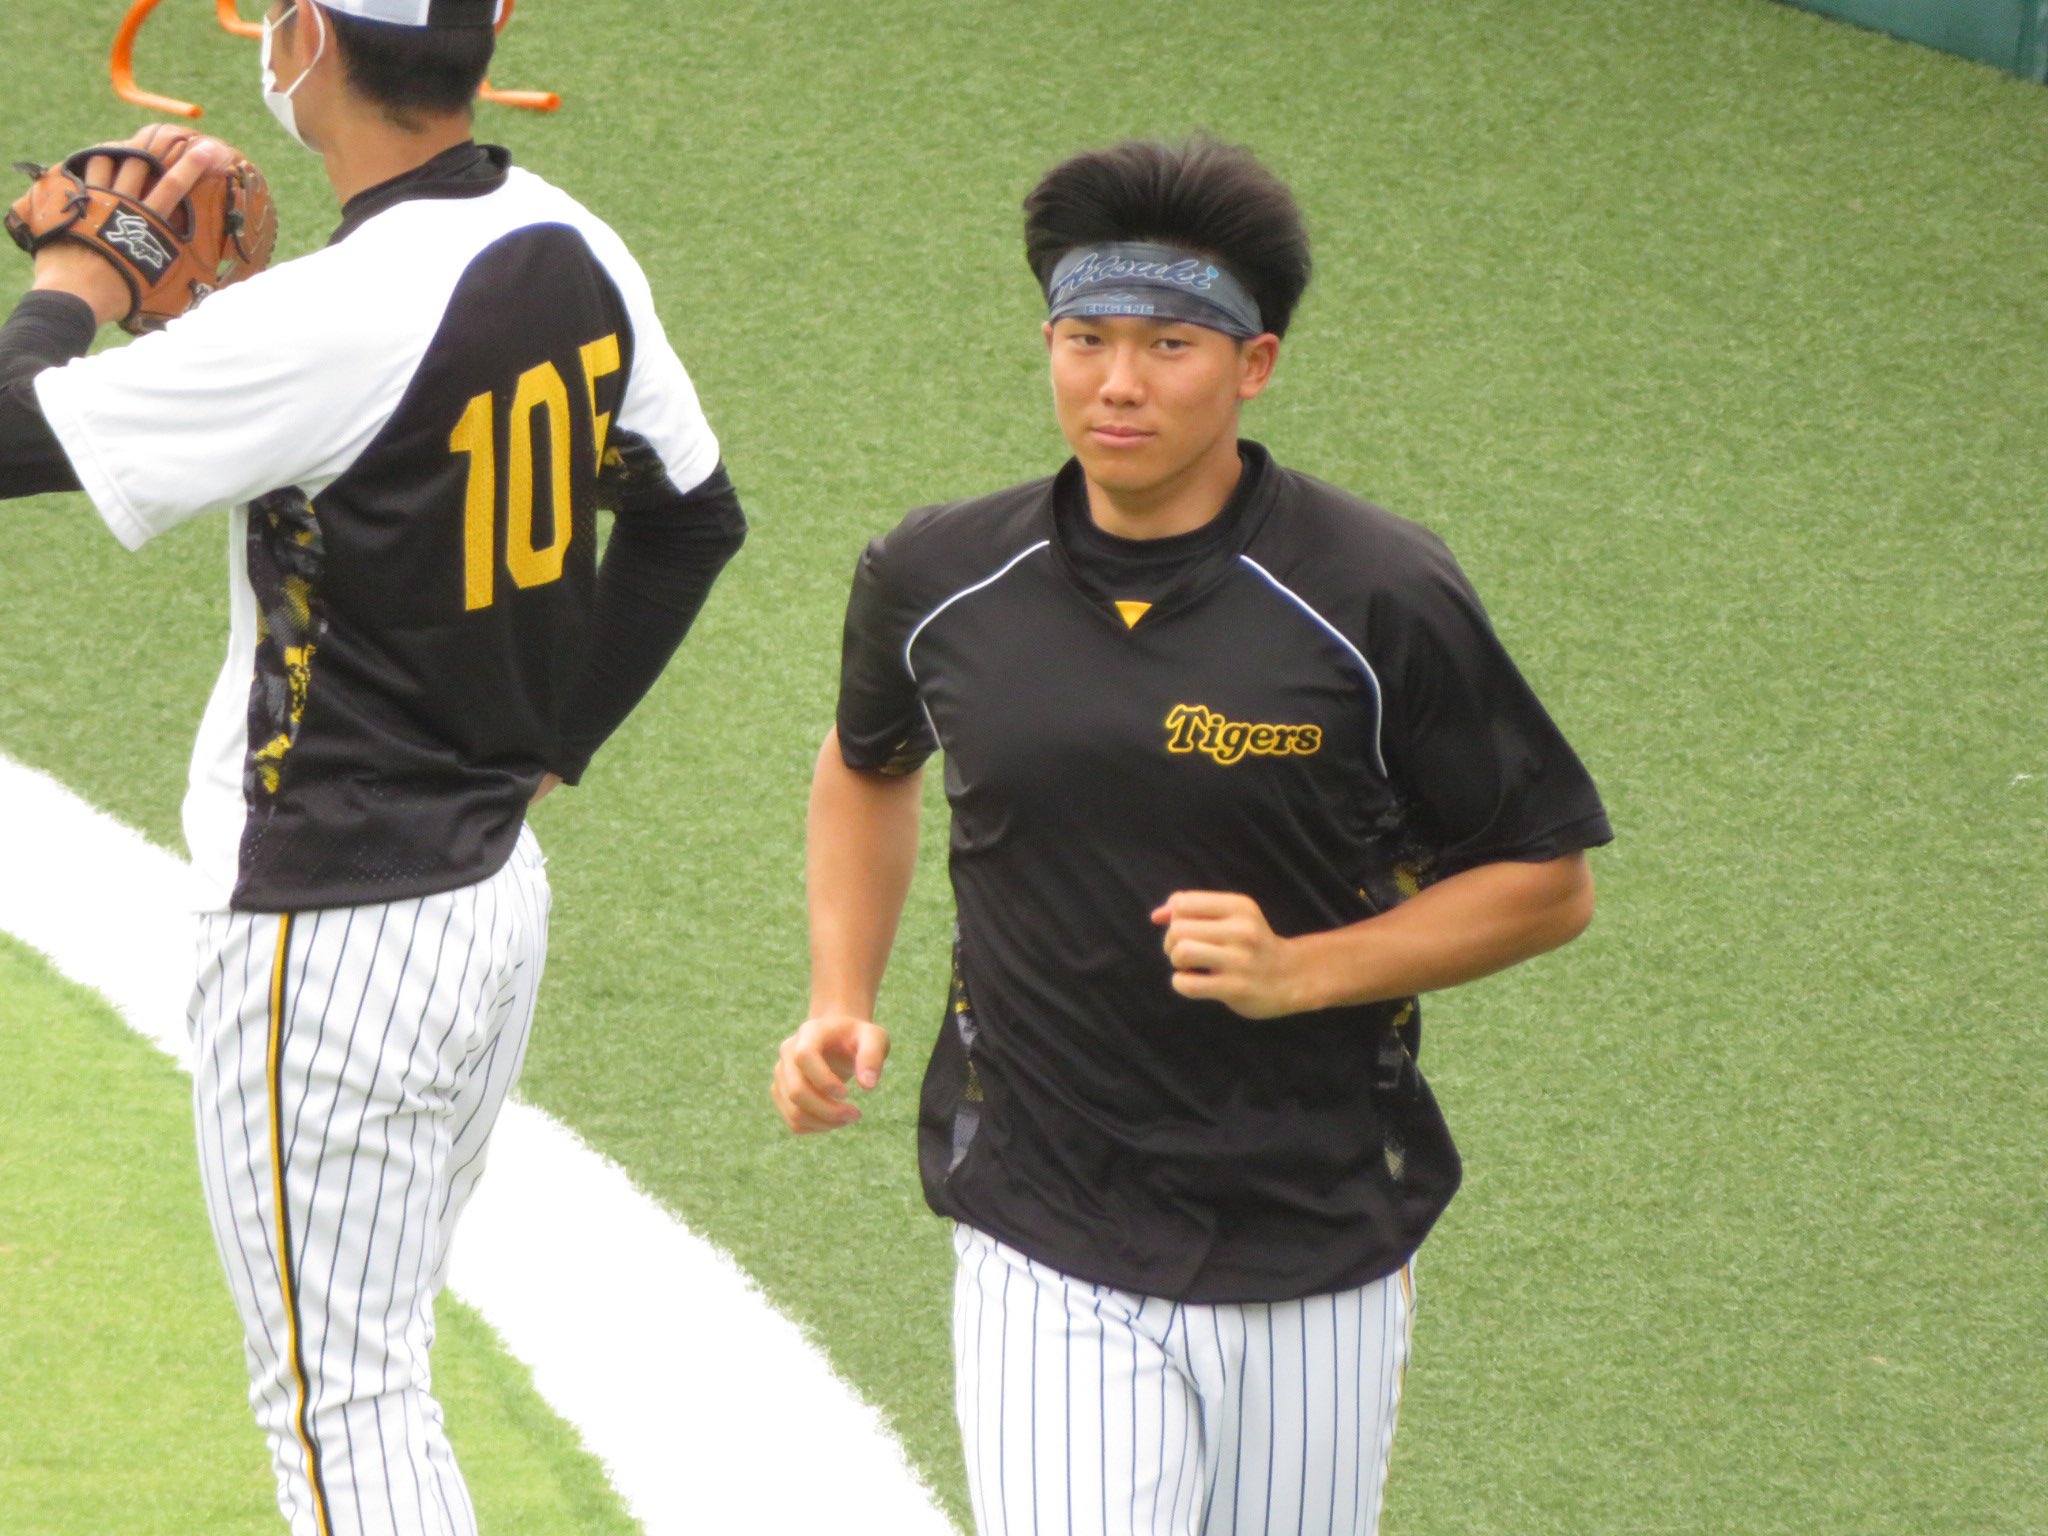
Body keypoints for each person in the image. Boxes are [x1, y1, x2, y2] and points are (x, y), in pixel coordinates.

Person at [772, 136, 1611, 1536]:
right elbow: (868, 764)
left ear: (1253, 364)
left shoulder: (1379, 593)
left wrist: (1304, 969)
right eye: (1086, 339)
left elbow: (1546, 881)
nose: (1119, 383)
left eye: (1169, 345)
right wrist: (838, 995)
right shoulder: (939, 578)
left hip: (1314, 1242)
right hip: (1046, 1227)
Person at [0, 2, 745, 1531]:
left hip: (326, 936)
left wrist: (77, 280)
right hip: (486, 904)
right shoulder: (568, 240)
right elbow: (690, 518)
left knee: (339, 1413)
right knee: (377, 1377)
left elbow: (11, 434)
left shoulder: (331, 315)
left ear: (312, 45)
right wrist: (548, 749)